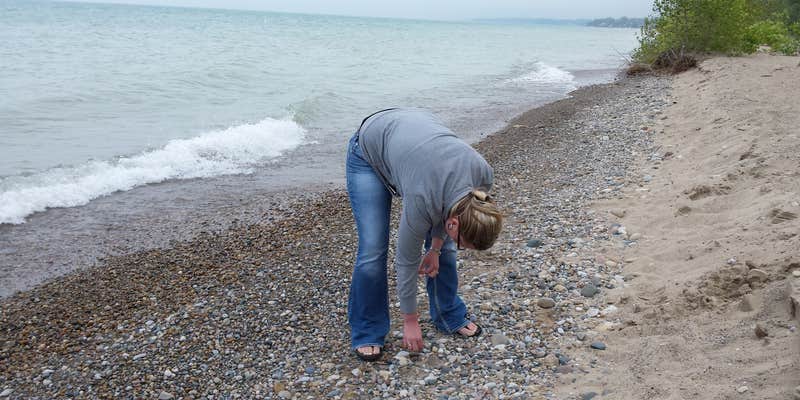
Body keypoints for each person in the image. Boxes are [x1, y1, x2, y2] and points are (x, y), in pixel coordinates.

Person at [345, 108, 503, 361]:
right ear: (453, 223)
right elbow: (406, 261)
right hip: (369, 150)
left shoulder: (482, 178)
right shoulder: (422, 199)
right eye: (463, 243)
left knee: (446, 249)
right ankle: (367, 330)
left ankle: (447, 313)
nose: (461, 247)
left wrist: (436, 248)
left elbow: (449, 209)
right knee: (373, 249)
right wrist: (410, 320)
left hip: (415, 147)